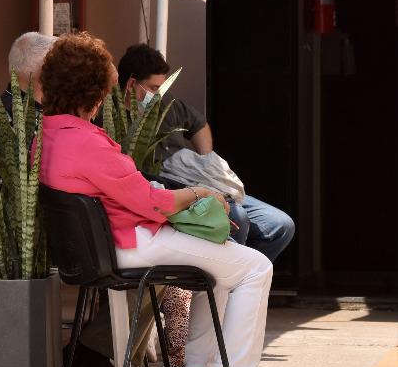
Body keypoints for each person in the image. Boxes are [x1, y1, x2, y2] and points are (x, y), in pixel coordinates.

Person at [39, 32, 280, 367]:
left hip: (106, 244)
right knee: (255, 267)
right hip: (131, 242)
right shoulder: (87, 141)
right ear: (96, 91)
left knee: (218, 270)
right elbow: (153, 203)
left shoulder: (47, 136)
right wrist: (202, 193)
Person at [117, 44, 296, 263]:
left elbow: (198, 123)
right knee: (235, 216)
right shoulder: (114, 119)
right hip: (171, 190)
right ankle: (221, 286)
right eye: (153, 88)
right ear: (132, 83)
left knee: (279, 225)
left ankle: (238, 283)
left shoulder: (166, 104)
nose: (157, 95)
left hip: (200, 181)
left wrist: (205, 161)